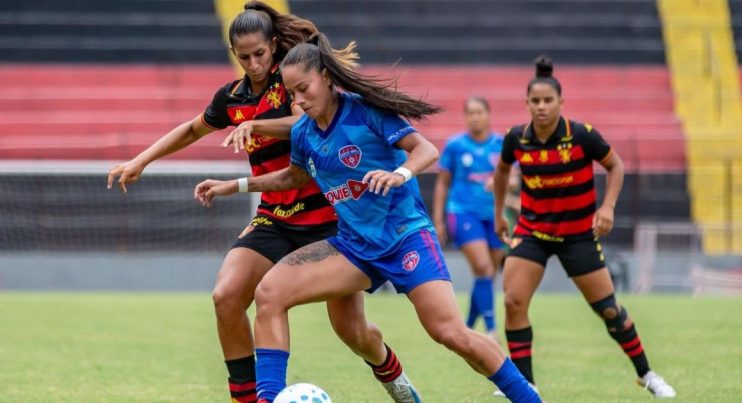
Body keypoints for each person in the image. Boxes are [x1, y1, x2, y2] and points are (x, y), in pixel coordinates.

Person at [194, 34, 541, 403]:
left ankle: (529, 398)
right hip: (354, 247)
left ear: (326, 76)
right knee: (270, 293)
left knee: (450, 333)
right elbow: (294, 177)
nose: (298, 101)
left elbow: (425, 149)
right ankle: (268, 398)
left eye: (303, 89)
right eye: (292, 94)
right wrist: (236, 185)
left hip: (405, 236)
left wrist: (400, 175)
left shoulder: (366, 111)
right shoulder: (304, 132)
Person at [106, 3, 420, 402]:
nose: (254, 63)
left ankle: (395, 379)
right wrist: (141, 160)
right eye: (244, 57)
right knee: (226, 297)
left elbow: (304, 120)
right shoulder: (233, 98)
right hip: (276, 216)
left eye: (260, 53)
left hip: (328, 219)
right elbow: (191, 129)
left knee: (353, 332)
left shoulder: (290, 82)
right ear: (234, 54)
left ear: (273, 45)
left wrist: (254, 124)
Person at [492, 56, 676, 398]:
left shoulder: (581, 135)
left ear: (561, 102)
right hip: (532, 232)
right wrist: (499, 213)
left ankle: (646, 374)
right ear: (527, 104)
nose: (542, 106)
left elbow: (616, 165)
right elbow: (502, 171)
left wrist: (607, 207)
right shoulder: (516, 138)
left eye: (548, 100)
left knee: (608, 309)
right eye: (536, 101)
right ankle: (526, 384)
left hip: (577, 235)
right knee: (514, 302)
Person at [432, 96, 505, 337]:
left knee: (487, 274)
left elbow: (515, 179)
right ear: (466, 117)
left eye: (479, 112)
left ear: (488, 114)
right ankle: (492, 330)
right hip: (462, 213)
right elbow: (442, 184)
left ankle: (468, 327)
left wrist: (502, 182)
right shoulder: (455, 146)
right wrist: (439, 220)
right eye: (470, 113)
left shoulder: (501, 144)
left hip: (494, 215)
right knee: (483, 267)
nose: (475, 117)